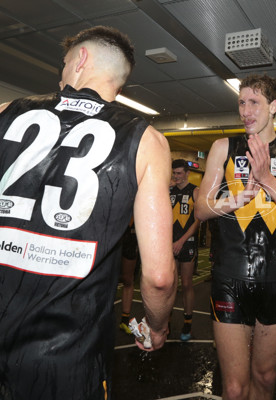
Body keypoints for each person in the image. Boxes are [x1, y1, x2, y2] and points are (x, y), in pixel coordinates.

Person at [0, 26, 176, 399]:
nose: (60, 73)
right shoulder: (146, 141)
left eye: (63, 64)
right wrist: (157, 327)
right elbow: (159, 276)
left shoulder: (5, 113)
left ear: (80, 60)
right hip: (68, 357)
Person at [195, 73, 276, 400]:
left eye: (254, 103)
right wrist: (232, 201)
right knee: (233, 387)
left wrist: (266, 180)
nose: (246, 110)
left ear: (273, 106)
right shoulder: (223, 148)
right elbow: (201, 210)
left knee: (265, 376)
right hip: (230, 275)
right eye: (241, 103)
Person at [170, 158, 200, 341]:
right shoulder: (169, 190)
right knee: (170, 284)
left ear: (187, 173)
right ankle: (166, 320)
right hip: (169, 242)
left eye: (179, 173)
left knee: (186, 283)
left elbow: (198, 220)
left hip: (187, 242)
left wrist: (181, 240)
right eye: (174, 173)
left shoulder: (195, 191)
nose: (176, 177)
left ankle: (187, 321)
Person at [118, 218, 139, 334]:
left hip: (131, 235)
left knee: (128, 280)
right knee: (108, 279)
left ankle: (124, 320)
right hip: (115, 233)